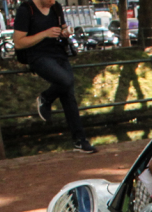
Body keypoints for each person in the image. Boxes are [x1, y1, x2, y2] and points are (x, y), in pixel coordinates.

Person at [13, 0, 96, 153]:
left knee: (68, 93)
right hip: (38, 55)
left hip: (58, 53)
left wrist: (65, 31)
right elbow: (18, 42)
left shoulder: (56, 7)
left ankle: (80, 140)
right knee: (66, 80)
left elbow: (62, 27)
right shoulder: (26, 10)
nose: (53, 2)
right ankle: (46, 97)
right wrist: (44, 34)